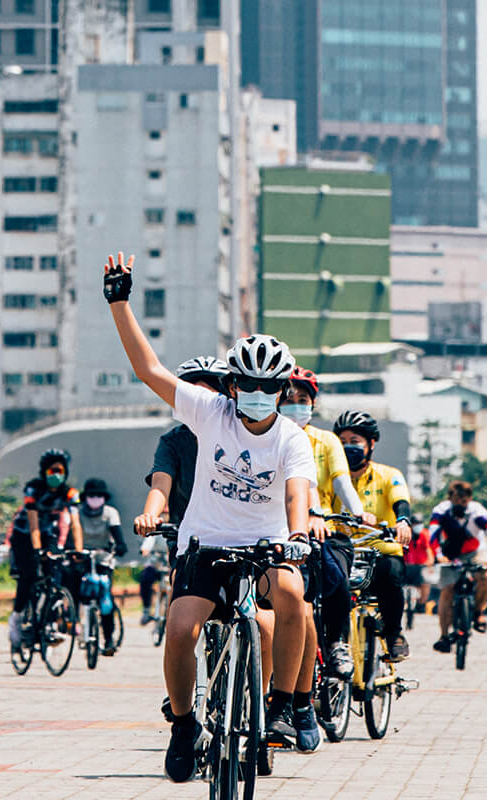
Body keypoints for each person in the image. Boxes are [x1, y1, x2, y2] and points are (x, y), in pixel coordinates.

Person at [107, 252, 327, 780]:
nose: (256, 396)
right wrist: (119, 302)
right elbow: (148, 370)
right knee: (180, 629)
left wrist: (297, 534)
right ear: (231, 386)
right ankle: (184, 725)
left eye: (268, 388)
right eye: (246, 385)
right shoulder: (209, 413)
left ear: (282, 391)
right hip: (205, 542)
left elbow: (299, 493)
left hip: (269, 545)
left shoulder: (292, 439)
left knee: (294, 596)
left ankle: (285, 705)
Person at [280, 367, 369, 699]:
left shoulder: (326, 441)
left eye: (302, 400)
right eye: (288, 399)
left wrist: (358, 511)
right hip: (280, 529)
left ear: (312, 405)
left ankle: (336, 644)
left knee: (334, 575)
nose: (294, 405)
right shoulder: (269, 436)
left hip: (323, 529)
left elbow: (338, 483)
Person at [136, 355, 230, 620]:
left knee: (261, 618)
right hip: (189, 540)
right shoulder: (173, 442)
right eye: (194, 396)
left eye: (211, 396)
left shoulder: (238, 435)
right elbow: (160, 484)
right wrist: (150, 515)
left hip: (238, 534)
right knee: (183, 608)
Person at [330, 410, 413, 661]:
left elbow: (401, 501)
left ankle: (393, 633)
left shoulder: (389, 475)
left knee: (391, 572)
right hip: (342, 550)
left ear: (371, 444)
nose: (348, 447)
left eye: (355, 441)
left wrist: (403, 522)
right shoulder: (332, 478)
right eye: (342, 441)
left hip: (380, 551)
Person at [7, 449, 83, 648]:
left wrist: (79, 550)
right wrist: (38, 551)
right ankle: (16, 617)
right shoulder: (33, 489)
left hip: (49, 533)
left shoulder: (70, 493)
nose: (56, 475)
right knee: (29, 574)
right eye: (52, 471)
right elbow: (33, 524)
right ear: (44, 472)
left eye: (60, 470)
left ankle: (49, 623)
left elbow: (75, 523)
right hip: (25, 534)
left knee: (55, 573)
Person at [429, 480, 487, 653]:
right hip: (450, 553)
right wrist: (439, 556)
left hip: (476, 551)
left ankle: (477, 611)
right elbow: (433, 536)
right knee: (447, 591)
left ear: (469, 499)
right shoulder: (441, 510)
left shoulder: (478, 511)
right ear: (449, 499)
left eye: (463, 501)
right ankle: (444, 636)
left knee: (486, 578)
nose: (459, 504)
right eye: (455, 500)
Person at [76, 477, 128, 655]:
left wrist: (120, 546)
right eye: (92, 495)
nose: (95, 498)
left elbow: (117, 534)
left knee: (105, 597)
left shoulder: (110, 513)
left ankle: (108, 639)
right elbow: (71, 533)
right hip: (81, 557)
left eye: (99, 495)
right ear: (86, 497)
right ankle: (72, 621)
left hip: (104, 558)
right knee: (74, 587)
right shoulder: (78, 512)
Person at [404, 516, 435, 611]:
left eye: (420, 524)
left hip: (421, 565)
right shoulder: (405, 533)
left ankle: (421, 604)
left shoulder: (424, 534)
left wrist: (430, 561)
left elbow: (428, 549)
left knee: (425, 583)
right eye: (416, 524)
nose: (418, 526)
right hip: (406, 565)